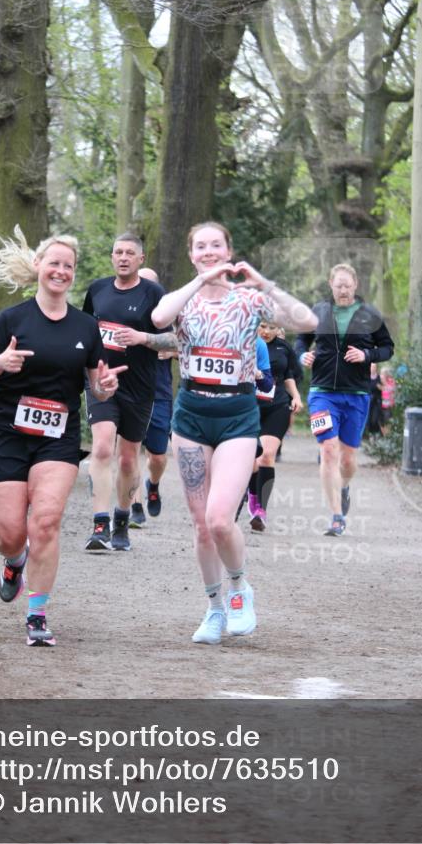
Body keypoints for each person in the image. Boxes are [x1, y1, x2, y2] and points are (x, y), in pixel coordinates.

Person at [151, 222, 317, 645]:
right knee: (200, 525)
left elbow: (307, 319)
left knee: (220, 519)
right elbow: (158, 316)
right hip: (191, 415)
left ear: (229, 251)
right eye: (201, 246)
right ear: (192, 254)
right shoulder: (184, 300)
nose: (209, 251)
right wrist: (197, 282)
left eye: (216, 245)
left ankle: (240, 588)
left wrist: (265, 283)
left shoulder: (248, 300)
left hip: (238, 416)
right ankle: (213, 608)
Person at [0, 227, 125, 646]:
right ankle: (13, 561)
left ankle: (37, 616)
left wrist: (105, 388)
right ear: (39, 266)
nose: (60, 271)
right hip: (7, 434)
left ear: (74, 274)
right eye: (54, 263)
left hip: (57, 438)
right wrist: (1, 361)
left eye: (68, 266)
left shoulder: (86, 327)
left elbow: (97, 383)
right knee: (9, 533)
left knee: (47, 520)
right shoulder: (12, 319)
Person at [82, 234, 174, 553]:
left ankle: (122, 519)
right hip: (102, 383)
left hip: (140, 387)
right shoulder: (97, 290)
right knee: (103, 448)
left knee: (126, 458)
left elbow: (174, 340)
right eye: (118, 252)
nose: (123, 257)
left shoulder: (154, 294)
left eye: (129, 253)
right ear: (112, 257)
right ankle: (99, 523)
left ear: (141, 259)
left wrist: (142, 337)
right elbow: (85, 332)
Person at [295, 263, 394, 536]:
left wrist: (367, 356)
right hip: (322, 393)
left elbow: (387, 347)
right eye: (338, 285)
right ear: (330, 284)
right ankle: (336, 516)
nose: (342, 290)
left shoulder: (370, 314)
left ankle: (344, 485)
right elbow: (300, 342)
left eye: (347, 286)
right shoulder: (318, 311)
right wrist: (302, 355)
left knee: (348, 460)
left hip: (357, 394)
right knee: (328, 450)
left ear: (355, 286)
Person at [129, 267, 176, 528]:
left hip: (159, 393)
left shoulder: (167, 317)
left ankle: (153, 484)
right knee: (130, 452)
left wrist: (171, 352)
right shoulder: (123, 313)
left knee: (156, 456)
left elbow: (190, 347)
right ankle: (135, 504)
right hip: (130, 392)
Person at [246, 320, 303, 531]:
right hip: (249, 405)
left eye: (271, 327)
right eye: (263, 326)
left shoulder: (283, 347)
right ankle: (252, 496)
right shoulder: (244, 342)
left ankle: (260, 510)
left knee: (267, 456)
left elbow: (289, 376)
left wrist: (295, 397)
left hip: (277, 404)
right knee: (251, 460)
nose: (267, 331)